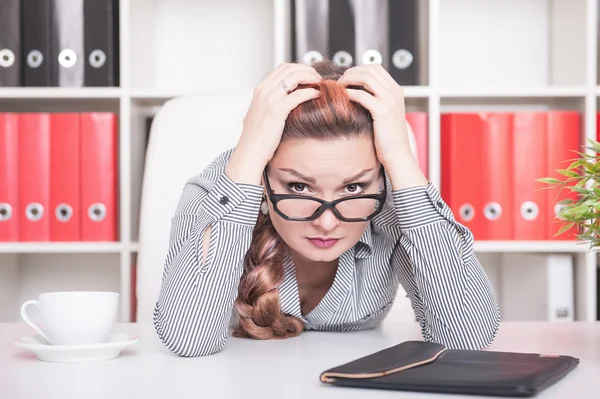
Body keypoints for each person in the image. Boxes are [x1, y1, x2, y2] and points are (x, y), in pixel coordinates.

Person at [153, 60, 501, 357]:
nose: (327, 221)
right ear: (263, 177)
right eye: (298, 187)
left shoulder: (391, 203)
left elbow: (466, 338)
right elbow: (189, 339)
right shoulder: (218, 190)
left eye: (353, 187)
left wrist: (401, 159)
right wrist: (250, 153)